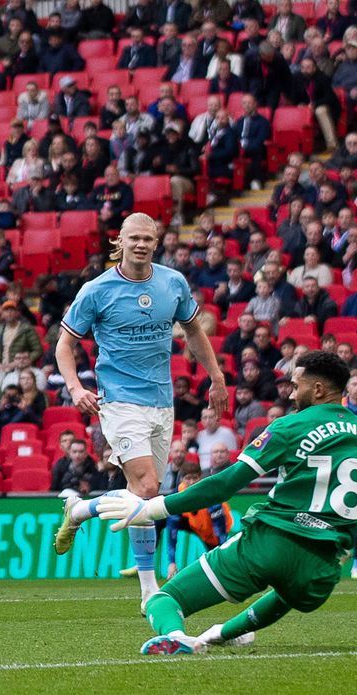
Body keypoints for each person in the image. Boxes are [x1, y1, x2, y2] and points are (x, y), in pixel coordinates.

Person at [96, 351, 357, 655]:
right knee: (288, 593)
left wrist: (152, 508)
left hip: (267, 545)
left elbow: (225, 483)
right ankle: (220, 633)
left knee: (163, 600)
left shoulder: (289, 427)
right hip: (322, 567)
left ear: (319, 389)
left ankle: (175, 636)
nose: (292, 393)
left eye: (297, 385)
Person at [53, 212, 228, 611]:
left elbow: (195, 331)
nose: (141, 245)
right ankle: (150, 590)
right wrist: (76, 387)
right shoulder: (97, 291)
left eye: (148, 238)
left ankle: (79, 508)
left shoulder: (172, 283)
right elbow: (65, 345)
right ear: (120, 240)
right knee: (148, 487)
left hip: (161, 402)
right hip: (118, 400)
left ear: (156, 241)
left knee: (143, 495)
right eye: (134, 238)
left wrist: (216, 377)